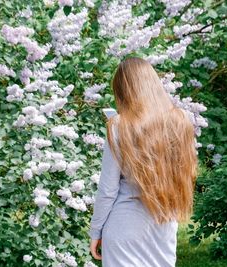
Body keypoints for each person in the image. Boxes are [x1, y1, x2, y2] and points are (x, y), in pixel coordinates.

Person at [88, 57, 198, 267]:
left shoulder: (118, 125)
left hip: (124, 226)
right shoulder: (181, 119)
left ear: (123, 90)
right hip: (164, 223)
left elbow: (108, 188)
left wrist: (96, 231)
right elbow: (184, 170)